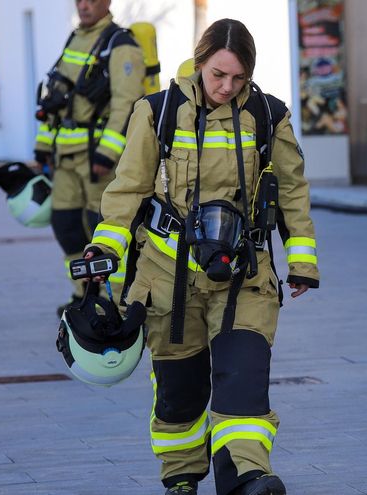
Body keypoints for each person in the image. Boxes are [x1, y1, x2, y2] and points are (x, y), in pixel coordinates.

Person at [84, 19, 319, 495]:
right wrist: (105, 248)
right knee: (180, 394)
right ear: (200, 61)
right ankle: (181, 479)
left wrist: (302, 262)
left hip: (244, 277)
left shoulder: (270, 116)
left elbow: (292, 192)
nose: (227, 87)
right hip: (168, 279)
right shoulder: (157, 112)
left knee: (244, 379)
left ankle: (247, 478)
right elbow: (127, 189)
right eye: (218, 75)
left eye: (238, 78)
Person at [33, 0, 145, 312]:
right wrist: (43, 145)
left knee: (104, 229)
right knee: (66, 225)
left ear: (107, 2)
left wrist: (107, 154)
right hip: (66, 155)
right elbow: (56, 97)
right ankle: (82, 295)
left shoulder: (119, 44)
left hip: (96, 159)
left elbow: (127, 105)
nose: (84, 5)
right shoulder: (76, 38)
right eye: (79, 0)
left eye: (92, 0)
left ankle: (114, 298)